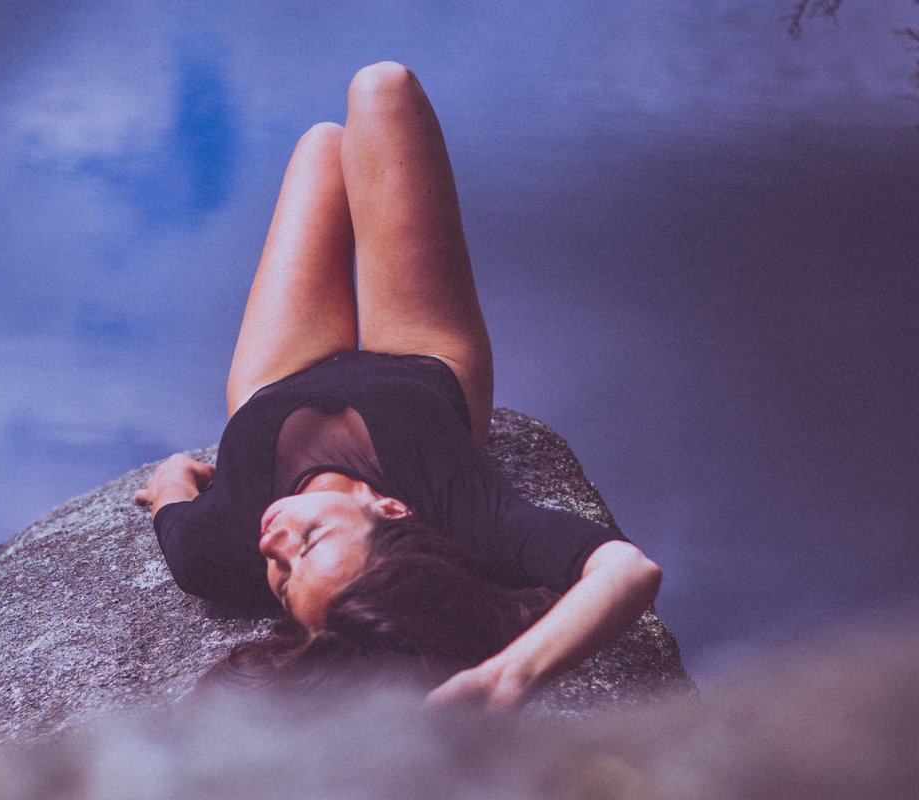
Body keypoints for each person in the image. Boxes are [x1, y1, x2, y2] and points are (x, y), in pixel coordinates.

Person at [135, 62, 661, 711]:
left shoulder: (215, 554)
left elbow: (170, 496)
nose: (273, 543)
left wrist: (173, 479)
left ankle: (337, 157)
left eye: (280, 579)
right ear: (391, 510)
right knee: (381, 88)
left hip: (274, 376)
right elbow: (629, 570)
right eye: (311, 543)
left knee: (323, 147)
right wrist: (507, 677)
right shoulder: (467, 514)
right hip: (421, 349)